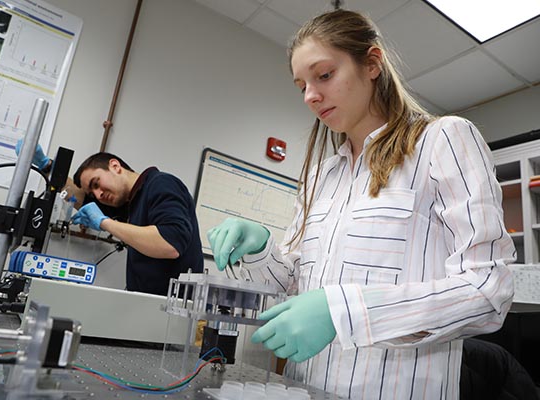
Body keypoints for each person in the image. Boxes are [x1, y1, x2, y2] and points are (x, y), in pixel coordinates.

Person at [207, 9, 515, 400]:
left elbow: (489, 291)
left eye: (324, 75)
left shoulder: (443, 141)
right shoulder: (321, 176)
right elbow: (292, 285)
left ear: (372, 64)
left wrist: (345, 313)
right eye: (301, 85)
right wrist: (260, 250)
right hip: (306, 390)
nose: (310, 96)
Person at [16, 142, 204, 295]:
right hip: (145, 307)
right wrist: (47, 168)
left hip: (173, 315)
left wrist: (105, 223)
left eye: (96, 183)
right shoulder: (130, 203)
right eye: (93, 192)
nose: (98, 195)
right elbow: (78, 199)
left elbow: (170, 243)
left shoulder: (161, 184)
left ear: (115, 166)